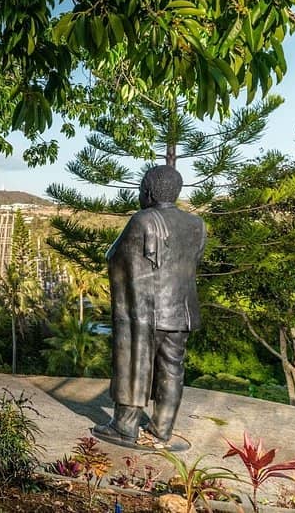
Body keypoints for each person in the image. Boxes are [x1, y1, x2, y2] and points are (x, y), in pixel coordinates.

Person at [92, 165, 206, 448]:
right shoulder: (197, 224)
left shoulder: (144, 221)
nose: (140, 193)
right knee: (173, 369)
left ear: (151, 191)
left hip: (148, 310)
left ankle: (125, 426)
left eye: (142, 188)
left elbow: (115, 255)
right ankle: (162, 429)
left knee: (136, 363)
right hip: (183, 311)